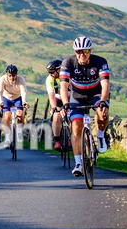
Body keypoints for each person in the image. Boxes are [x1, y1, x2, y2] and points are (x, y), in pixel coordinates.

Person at [60, 36, 111, 177]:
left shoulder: (100, 62)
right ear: (75, 52)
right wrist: (65, 104)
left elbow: (105, 83)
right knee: (76, 127)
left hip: (96, 94)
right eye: (78, 52)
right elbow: (63, 86)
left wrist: (102, 101)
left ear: (91, 51)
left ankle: (100, 135)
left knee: (102, 113)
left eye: (86, 51)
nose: (82, 55)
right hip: (77, 96)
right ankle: (78, 163)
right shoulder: (68, 63)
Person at [0, 64, 27, 130]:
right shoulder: (2, 79)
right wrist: (1, 102)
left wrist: (24, 101)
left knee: (20, 114)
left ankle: (20, 131)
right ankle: (7, 134)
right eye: (9, 76)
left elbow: (23, 91)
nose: (11, 77)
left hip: (17, 97)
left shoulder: (21, 79)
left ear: (16, 74)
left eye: (13, 75)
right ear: (7, 74)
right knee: (7, 116)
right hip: (6, 98)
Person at [45, 59, 64, 151]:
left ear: (59, 69)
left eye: (52, 72)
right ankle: (57, 140)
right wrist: (54, 107)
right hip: (58, 97)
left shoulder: (68, 75)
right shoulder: (50, 79)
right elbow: (51, 94)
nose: (50, 74)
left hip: (70, 97)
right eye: (49, 72)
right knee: (56, 117)